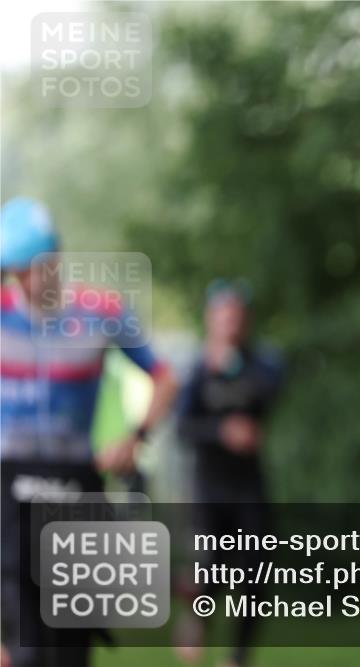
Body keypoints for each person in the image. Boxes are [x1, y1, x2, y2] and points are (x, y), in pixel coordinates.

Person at [0, 197, 178, 667]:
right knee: (26, 644)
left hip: (77, 481)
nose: (27, 282)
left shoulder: (100, 312)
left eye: (35, 268)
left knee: (72, 644)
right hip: (11, 483)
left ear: (56, 259)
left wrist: (136, 437)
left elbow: (165, 378)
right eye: (17, 273)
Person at [173, 280, 283, 667]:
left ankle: (237, 657)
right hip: (208, 487)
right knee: (212, 570)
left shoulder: (261, 364)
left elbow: (273, 389)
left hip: (248, 485)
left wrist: (236, 370)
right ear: (211, 319)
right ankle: (196, 618)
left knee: (256, 572)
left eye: (237, 316)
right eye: (224, 316)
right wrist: (221, 431)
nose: (231, 323)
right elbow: (182, 428)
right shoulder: (197, 370)